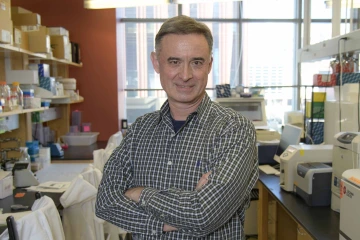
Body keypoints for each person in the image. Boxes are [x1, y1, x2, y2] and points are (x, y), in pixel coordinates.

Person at [95, 15, 259, 239]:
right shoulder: (139, 130)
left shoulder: (235, 130)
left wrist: (140, 193)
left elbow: (204, 215)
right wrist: (171, 218)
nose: (185, 75)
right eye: (174, 62)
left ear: (209, 65)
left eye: (197, 62)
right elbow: (105, 202)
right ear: (156, 63)